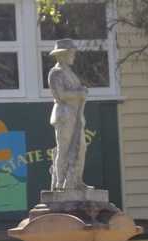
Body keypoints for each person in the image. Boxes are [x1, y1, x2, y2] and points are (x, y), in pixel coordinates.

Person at [48, 39, 91, 191]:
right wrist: (79, 93)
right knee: (64, 148)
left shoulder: (70, 73)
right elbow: (61, 94)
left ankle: (76, 180)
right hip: (64, 115)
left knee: (81, 148)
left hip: (76, 114)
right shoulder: (56, 73)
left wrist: (82, 91)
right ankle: (60, 182)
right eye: (71, 53)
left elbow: (76, 91)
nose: (73, 56)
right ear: (63, 55)